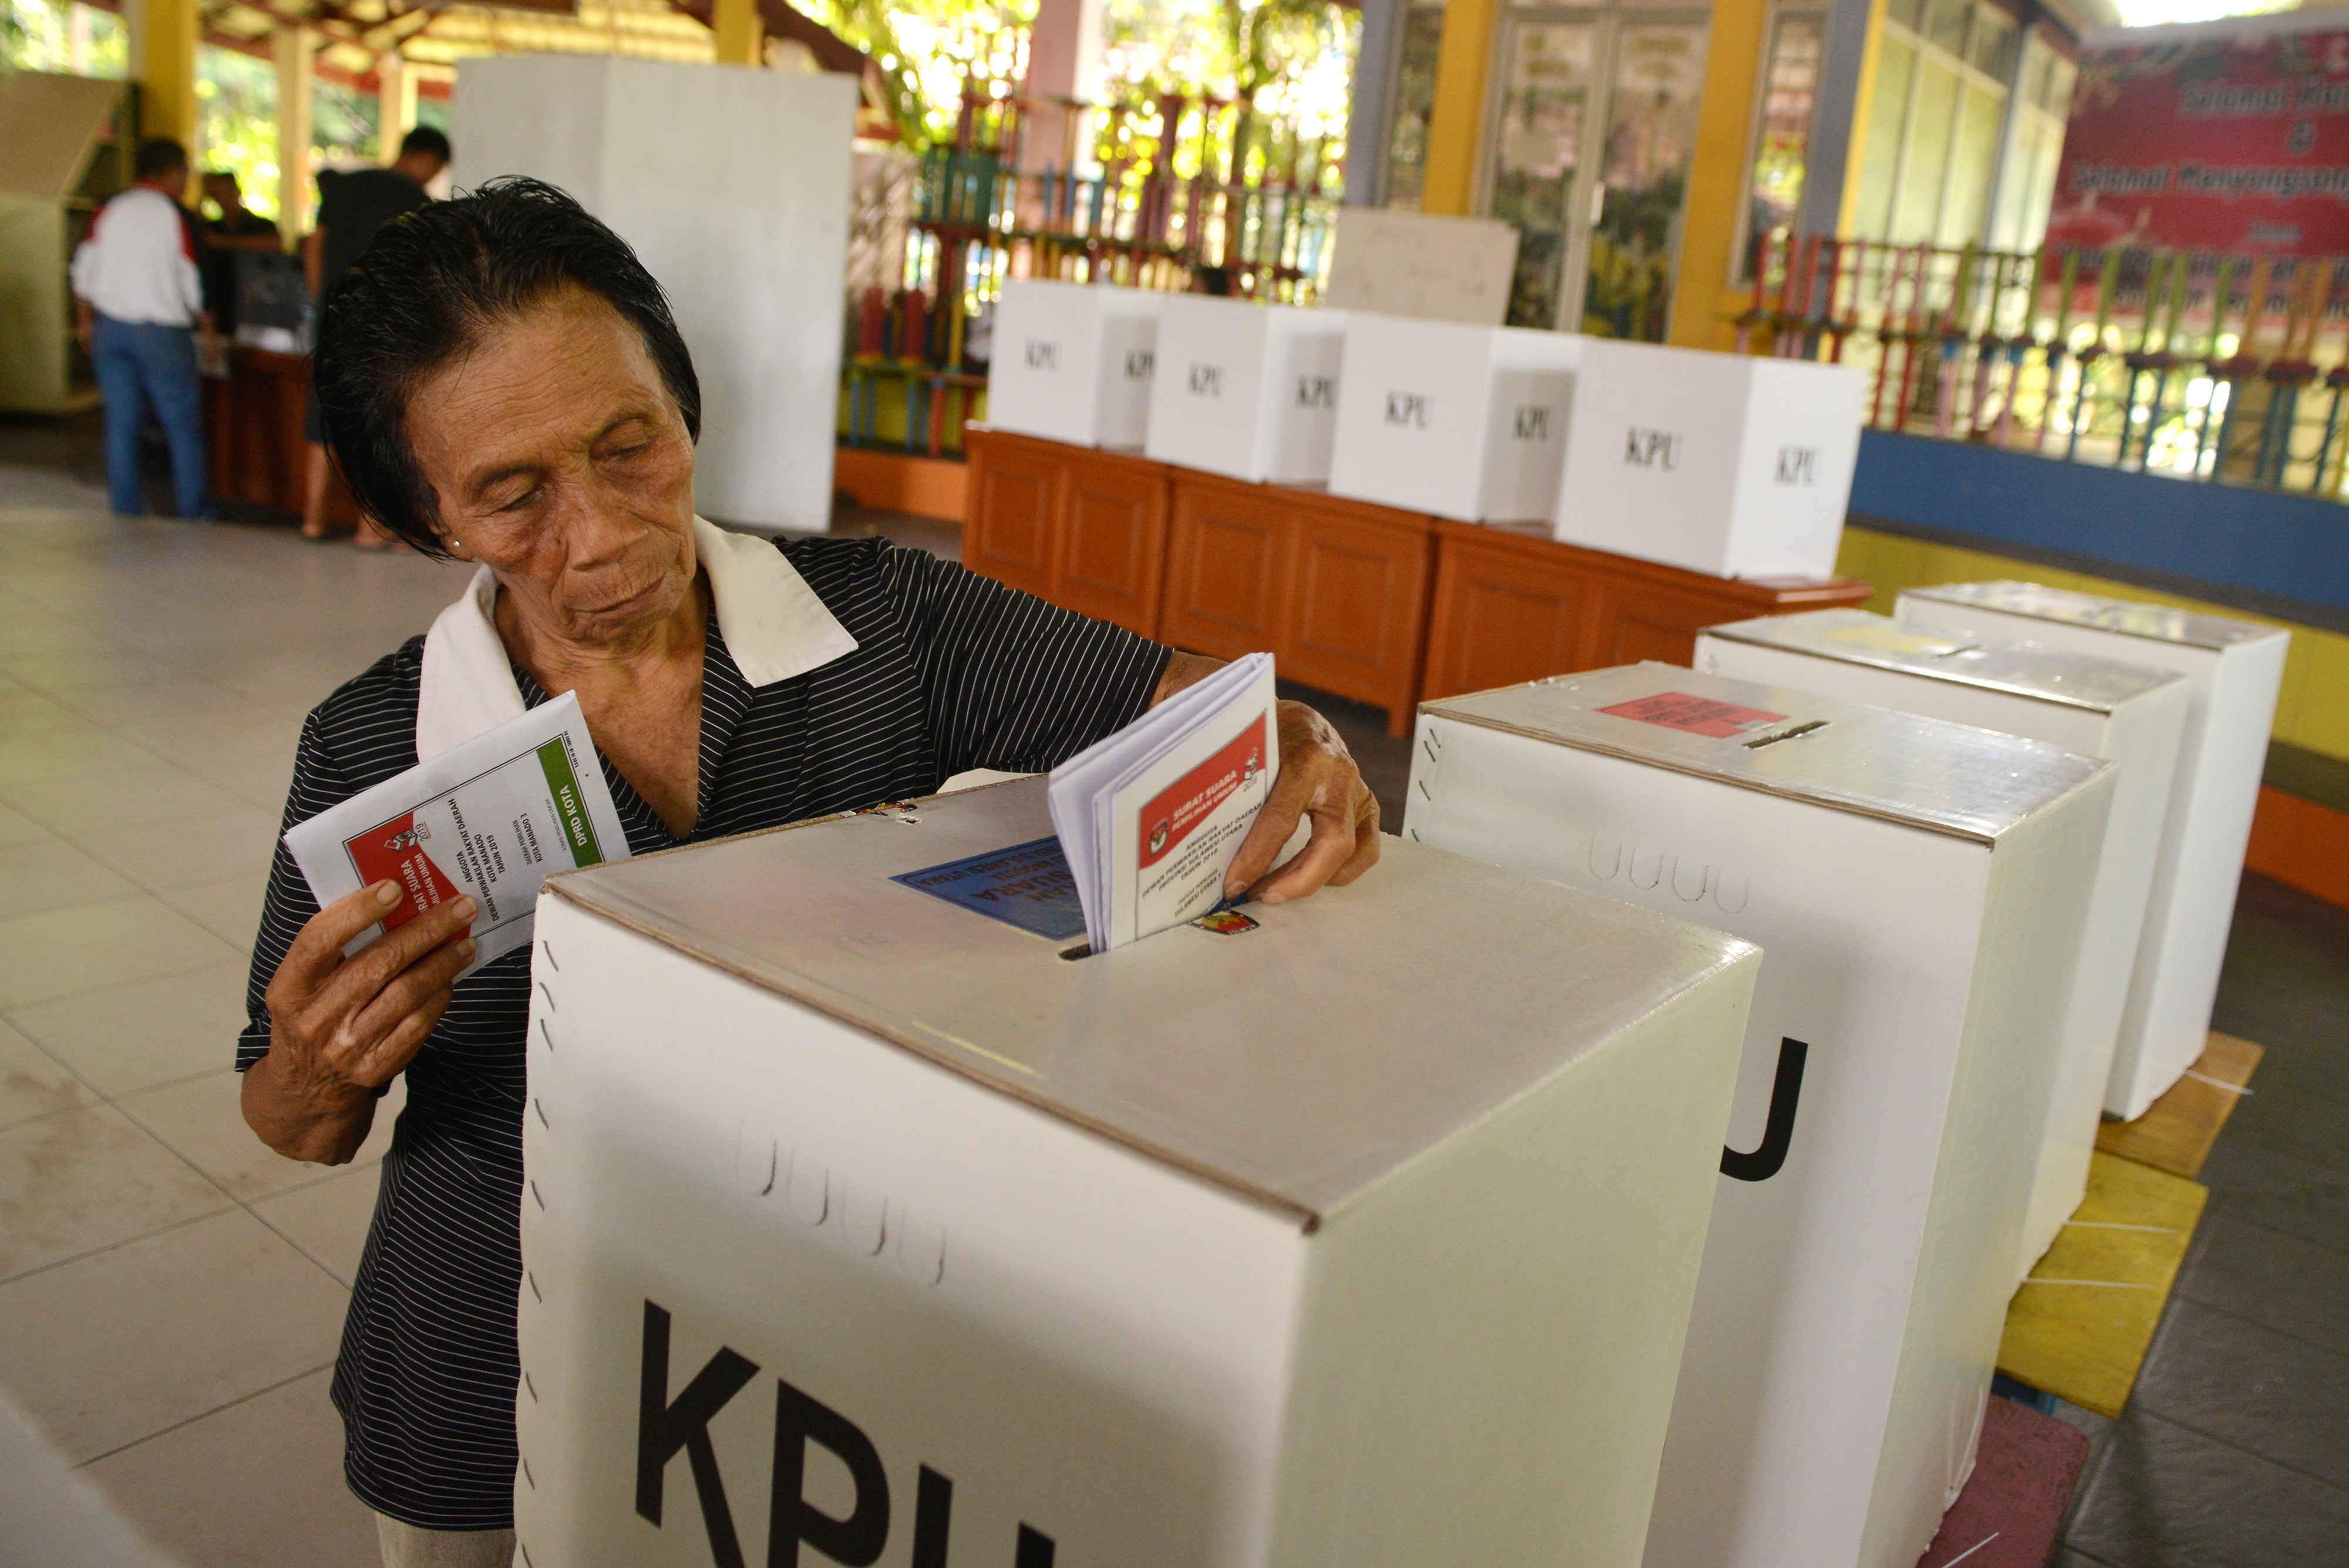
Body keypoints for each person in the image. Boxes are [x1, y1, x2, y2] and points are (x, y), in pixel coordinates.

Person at [235, 178, 1379, 1568]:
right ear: (430, 521)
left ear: (684, 407)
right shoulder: (377, 745)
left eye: (628, 446)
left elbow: (1190, 700)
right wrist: (318, 1065)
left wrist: (1296, 730)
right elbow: (295, 1122)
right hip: (497, 1335)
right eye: (512, 495)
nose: (597, 534)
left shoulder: (888, 620)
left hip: (822, 1353)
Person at [301, 125, 452, 543]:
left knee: (323, 418)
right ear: (424, 157)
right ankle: (371, 530)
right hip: (383, 325)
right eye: (436, 167)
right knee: (378, 423)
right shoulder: (416, 203)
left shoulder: (347, 187)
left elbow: (315, 245)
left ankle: (312, 521)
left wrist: (322, 299)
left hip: (332, 316)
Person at [70, 137, 217, 520]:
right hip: (162, 333)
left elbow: (82, 269)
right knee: (182, 428)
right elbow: (195, 282)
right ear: (172, 172)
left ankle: (126, 510)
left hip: (111, 330)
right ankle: (194, 513)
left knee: (120, 424)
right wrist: (210, 334)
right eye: (185, 173)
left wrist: (86, 323)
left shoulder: (107, 207)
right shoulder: (177, 216)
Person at [197, 169, 284, 339]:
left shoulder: (260, 225)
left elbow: (275, 244)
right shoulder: (212, 228)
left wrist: (226, 243)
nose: (222, 198)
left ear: (236, 191)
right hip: (222, 303)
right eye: (216, 194)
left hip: (255, 303)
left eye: (226, 191)